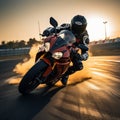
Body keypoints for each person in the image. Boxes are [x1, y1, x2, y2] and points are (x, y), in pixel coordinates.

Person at [35, 15, 90, 86]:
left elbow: (85, 51)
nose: (77, 29)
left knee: (79, 66)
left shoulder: (85, 37)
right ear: (72, 24)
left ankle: (65, 74)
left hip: (72, 51)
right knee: (45, 46)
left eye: (79, 28)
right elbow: (54, 28)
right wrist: (47, 31)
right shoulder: (66, 26)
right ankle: (40, 61)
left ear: (84, 27)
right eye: (75, 27)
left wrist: (82, 57)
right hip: (59, 43)